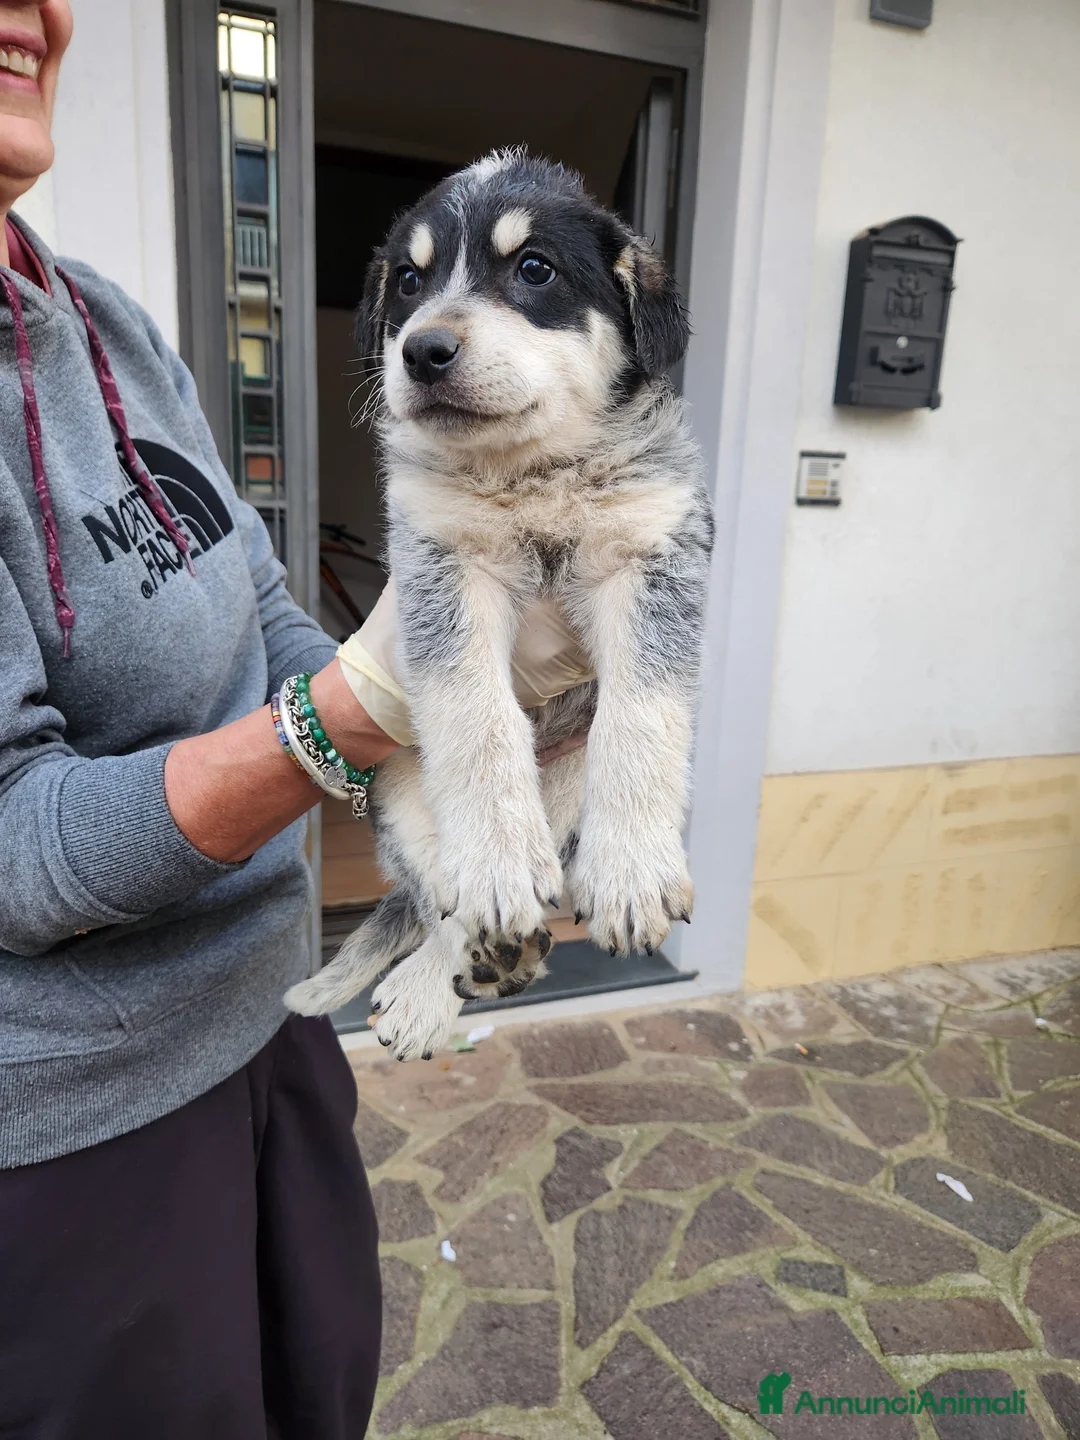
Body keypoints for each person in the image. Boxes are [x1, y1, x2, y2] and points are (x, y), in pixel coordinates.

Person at [0, 4, 589, 1436]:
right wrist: (355, 709)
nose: (43, 6)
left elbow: (257, 603)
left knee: (319, 1390)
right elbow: (18, 847)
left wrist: (480, 694)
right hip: (81, 1136)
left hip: (272, 1030)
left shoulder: (106, 322)